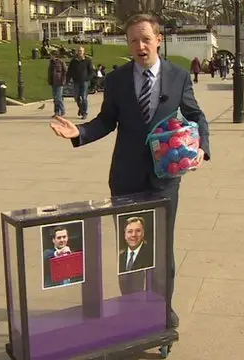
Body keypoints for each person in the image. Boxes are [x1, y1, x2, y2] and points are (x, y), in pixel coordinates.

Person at [50, 13, 211, 328]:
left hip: (164, 178)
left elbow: (195, 113)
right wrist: (79, 132)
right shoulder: (117, 79)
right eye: (134, 40)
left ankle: (163, 307)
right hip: (126, 179)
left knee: (162, 248)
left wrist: (201, 145)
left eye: (146, 38)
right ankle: (133, 309)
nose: (140, 45)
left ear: (158, 40)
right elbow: (107, 120)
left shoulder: (178, 76)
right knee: (132, 249)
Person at [66, 46, 93, 119]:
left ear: (84, 52)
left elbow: (91, 71)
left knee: (84, 97)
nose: (79, 52)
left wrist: (87, 79)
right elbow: (69, 71)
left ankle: (84, 113)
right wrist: (67, 80)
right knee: (76, 97)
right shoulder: (73, 61)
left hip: (84, 82)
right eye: (78, 51)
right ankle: (81, 108)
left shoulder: (88, 60)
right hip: (76, 81)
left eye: (81, 51)